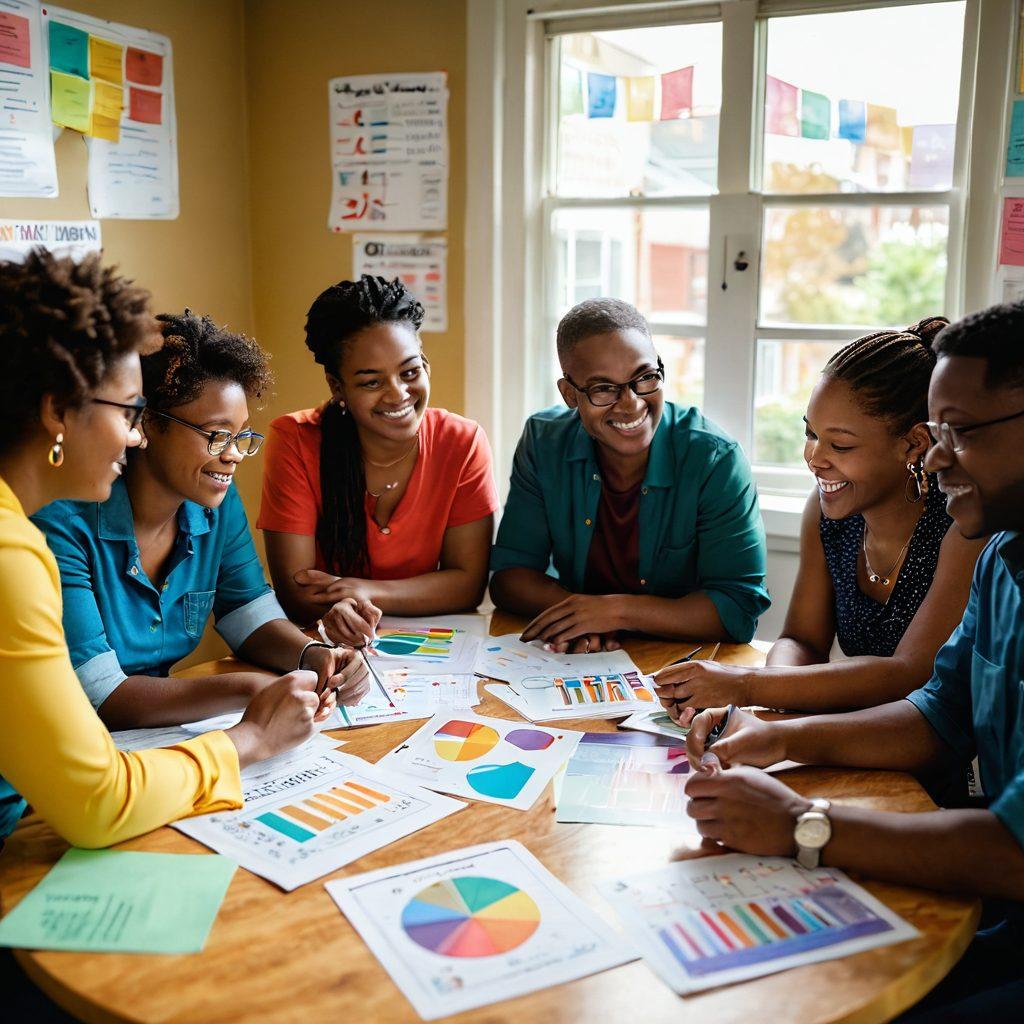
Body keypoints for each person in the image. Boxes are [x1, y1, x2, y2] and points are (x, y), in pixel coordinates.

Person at [681, 302, 1024, 1021]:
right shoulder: (1002, 557)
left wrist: (807, 823)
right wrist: (780, 736)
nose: (935, 456)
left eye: (957, 434)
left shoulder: (967, 536)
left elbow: (1011, 850)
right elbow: (936, 712)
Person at [0, 251, 332, 853]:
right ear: (56, 411)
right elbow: (97, 802)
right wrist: (250, 738)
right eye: (128, 412)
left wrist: (308, 652)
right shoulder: (15, 551)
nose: (133, 434)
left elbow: (246, 607)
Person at [33, 310, 369, 729]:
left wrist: (315, 655)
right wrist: (249, 690)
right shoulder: (63, 523)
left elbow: (248, 611)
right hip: (72, 741)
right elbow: (101, 694)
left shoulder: (215, 504)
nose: (232, 455)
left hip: (155, 738)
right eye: (216, 435)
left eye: (241, 436)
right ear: (148, 423)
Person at [655, 319, 984, 720]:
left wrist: (744, 685)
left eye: (840, 445)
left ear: (913, 444)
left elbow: (910, 674)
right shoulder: (829, 510)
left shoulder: (961, 524)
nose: (814, 458)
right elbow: (802, 639)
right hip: (839, 731)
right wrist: (773, 702)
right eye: (811, 434)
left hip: (930, 754)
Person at [489, 297, 769, 653]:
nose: (631, 403)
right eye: (604, 388)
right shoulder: (544, 441)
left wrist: (612, 612)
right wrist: (583, 619)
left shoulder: (714, 459)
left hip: (684, 662)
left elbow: (738, 608)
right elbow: (510, 576)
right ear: (570, 394)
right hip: (583, 656)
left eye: (645, 377)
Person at [258, 275, 498, 645]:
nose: (398, 394)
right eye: (371, 382)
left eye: (410, 372)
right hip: (329, 648)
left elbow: (466, 585)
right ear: (337, 387)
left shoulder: (462, 442)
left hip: (435, 648)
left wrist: (360, 590)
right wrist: (409, 590)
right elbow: (298, 592)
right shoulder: (295, 440)